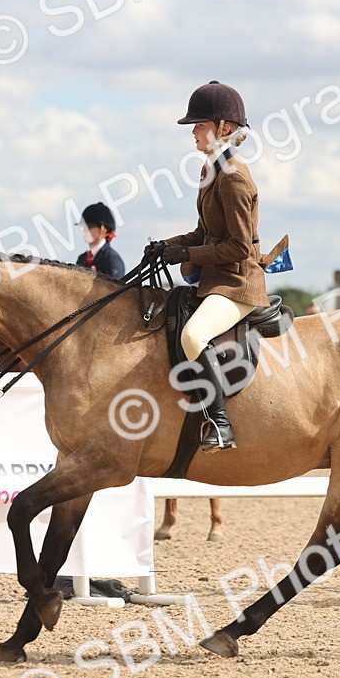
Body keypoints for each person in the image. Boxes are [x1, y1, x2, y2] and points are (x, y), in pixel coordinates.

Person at [146, 80, 269, 452]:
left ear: (224, 128)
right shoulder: (212, 171)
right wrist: (167, 245)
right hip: (216, 280)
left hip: (237, 284)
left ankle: (220, 425)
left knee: (192, 335)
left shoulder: (233, 178)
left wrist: (187, 256)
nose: (194, 133)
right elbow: (204, 232)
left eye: (199, 126)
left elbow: (236, 246)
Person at [77, 202, 125, 280]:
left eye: (89, 226)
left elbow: (116, 290)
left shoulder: (111, 258)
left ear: (104, 230)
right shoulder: (81, 259)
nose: (83, 230)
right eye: (82, 226)